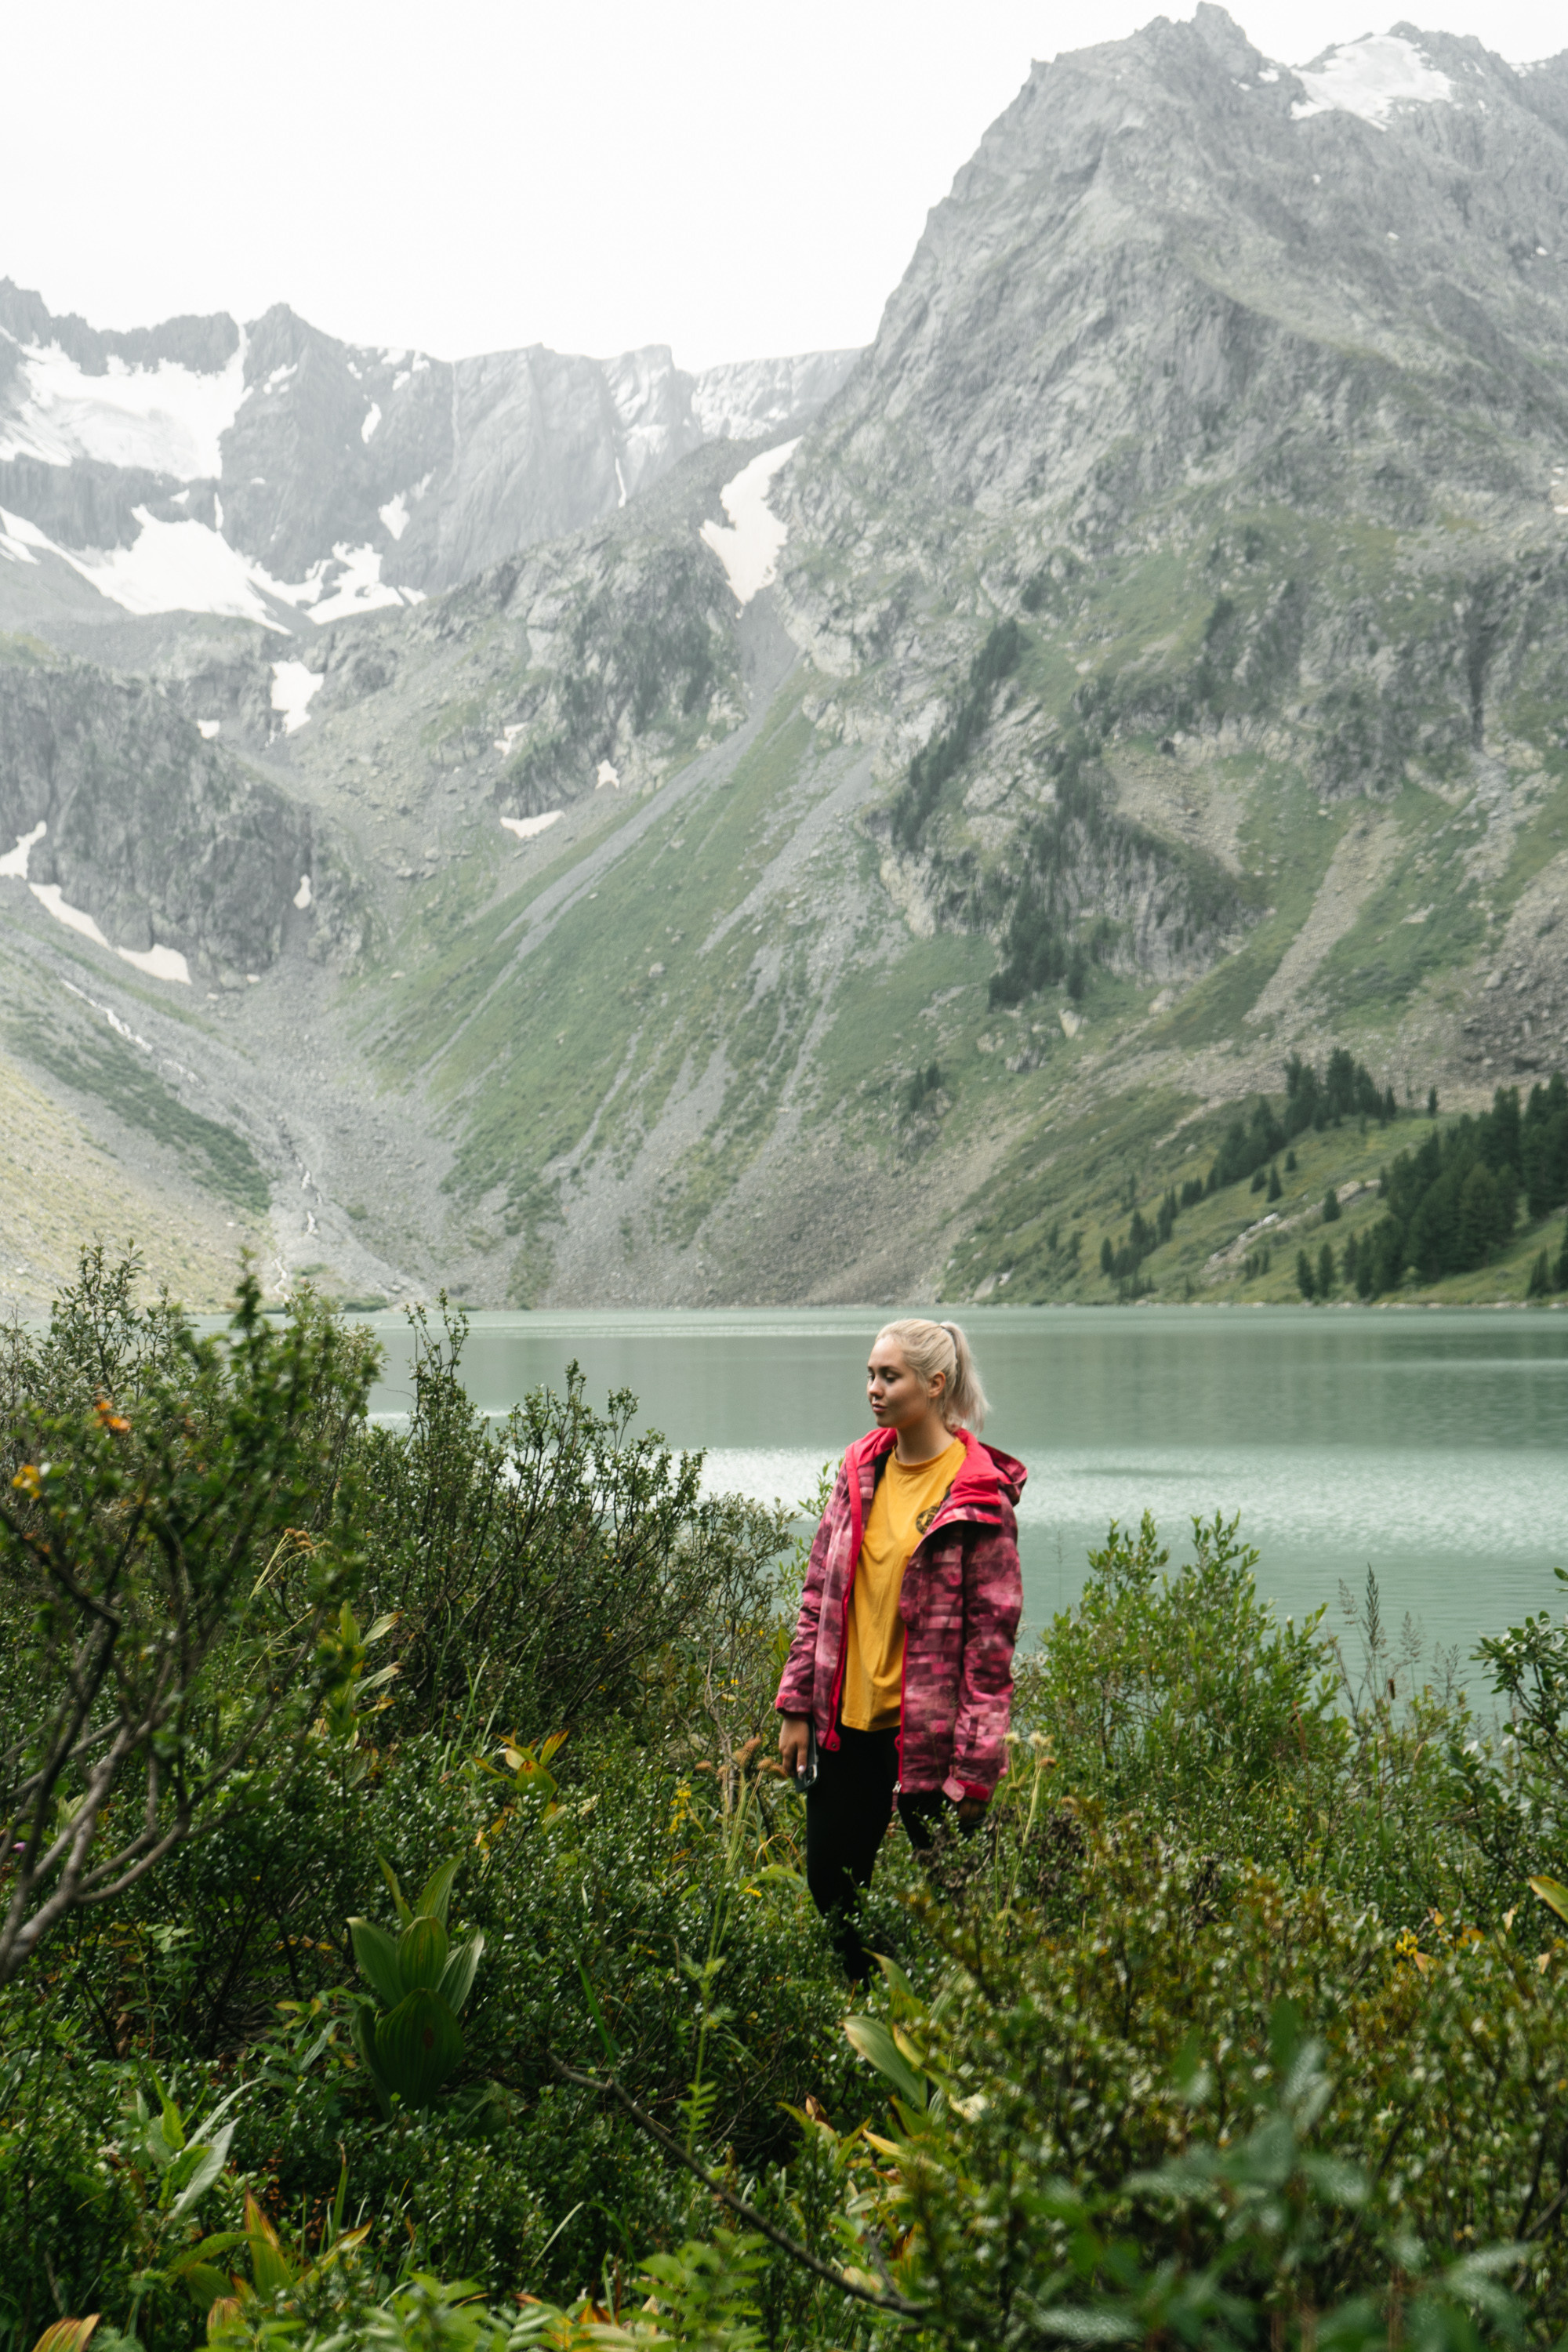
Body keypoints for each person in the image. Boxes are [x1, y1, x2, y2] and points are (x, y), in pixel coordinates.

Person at [775, 1318, 1025, 1979]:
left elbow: (990, 1649)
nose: (873, 1389)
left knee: (951, 1909)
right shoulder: (860, 1470)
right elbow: (816, 1598)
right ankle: (867, 2019)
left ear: (935, 1384)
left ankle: (943, 2041)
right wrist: (797, 1705)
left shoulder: (979, 1496)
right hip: (846, 1725)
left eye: (890, 1376)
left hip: (926, 1740)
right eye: (870, 1374)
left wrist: (976, 1766)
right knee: (832, 1892)